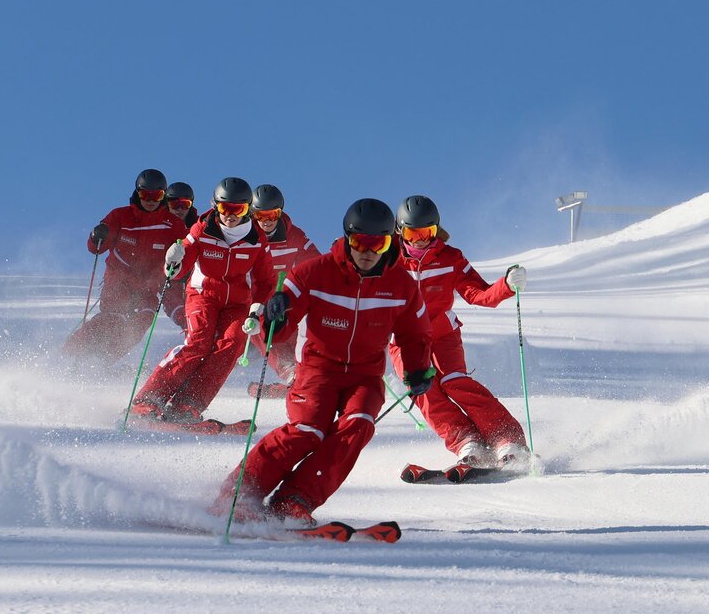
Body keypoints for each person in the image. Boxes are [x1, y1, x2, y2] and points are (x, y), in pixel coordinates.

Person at [211, 198, 433, 526]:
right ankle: (239, 494)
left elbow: (415, 333)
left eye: (378, 243)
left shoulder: (400, 286)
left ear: (390, 243)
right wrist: (276, 315)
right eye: (360, 241)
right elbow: (286, 312)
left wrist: (416, 369)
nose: (367, 251)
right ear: (347, 238)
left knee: (358, 425)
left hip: (365, 375)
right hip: (319, 369)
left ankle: (294, 501)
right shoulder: (317, 271)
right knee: (307, 429)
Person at [387, 194, 530, 469]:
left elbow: (478, 293)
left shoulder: (450, 258)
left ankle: (506, 439)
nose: (419, 241)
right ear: (399, 231)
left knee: (454, 381)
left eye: (426, 233)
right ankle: (467, 440)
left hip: (442, 334)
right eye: (412, 233)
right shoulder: (387, 259)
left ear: (436, 230)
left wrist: (507, 285)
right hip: (403, 341)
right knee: (422, 389)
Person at [130, 177, 276, 423]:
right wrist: (172, 264)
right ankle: (149, 398)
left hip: (238, 302)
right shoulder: (202, 229)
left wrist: (256, 311)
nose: (229, 215)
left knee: (233, 344)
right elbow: (181, 264)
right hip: (203, 293)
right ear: (216, 207)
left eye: (237, 209)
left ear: (248, 209)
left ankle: (188, 404)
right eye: (224, 208)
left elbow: (266, 281)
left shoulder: (256, 239)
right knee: (198, 341)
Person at [63, 169, 187, 367]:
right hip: (119, 280)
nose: (150, 200)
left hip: (149, 286)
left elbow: (185, 254)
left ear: (163, 195)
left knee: (140, 322)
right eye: (145, 194)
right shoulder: (121, 216)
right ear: (137, 193)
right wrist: (98, 236)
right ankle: (72, 353)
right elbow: (96, 248)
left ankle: (103, 361)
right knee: (113, 318)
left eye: (157, 195)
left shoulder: (173, 225)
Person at [247, 184, 320, 389]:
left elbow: (315, 263)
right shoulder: (245, 235)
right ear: (253, 214)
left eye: (272, 215)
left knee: (301, 326)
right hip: (255, 300)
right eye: (261, 216)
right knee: (262, 328)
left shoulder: (293, 235)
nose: (266, 221)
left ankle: (310, 370)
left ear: (280, 212)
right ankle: (290, 372)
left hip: (284, 297)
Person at [161, 181, 199, 330]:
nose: (179, 209)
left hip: (193, 281)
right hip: (169, 282)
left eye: (185, 204)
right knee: (182, 315)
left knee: (197, 316)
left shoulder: (198, 226)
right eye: (174, 204)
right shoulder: (161, 224)